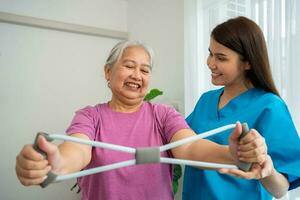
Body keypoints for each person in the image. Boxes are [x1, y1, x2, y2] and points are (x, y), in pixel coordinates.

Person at [16, 40, 267, 200]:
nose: (137, 75)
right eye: (129, 66)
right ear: (108, 71)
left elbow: (190, 147)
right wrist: (54, 163)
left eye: (145, 70)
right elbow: (77, 150)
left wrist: (232, 153)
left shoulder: (163, 115)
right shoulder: (90, 116)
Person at [182, 16, 300, 200]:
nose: (210, 63)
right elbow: (180, 141)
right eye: (210, 53)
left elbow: (280, 190)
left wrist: (266, 170)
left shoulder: (270, 107)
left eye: (221, 58)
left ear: (248, 62)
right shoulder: (206, 101)